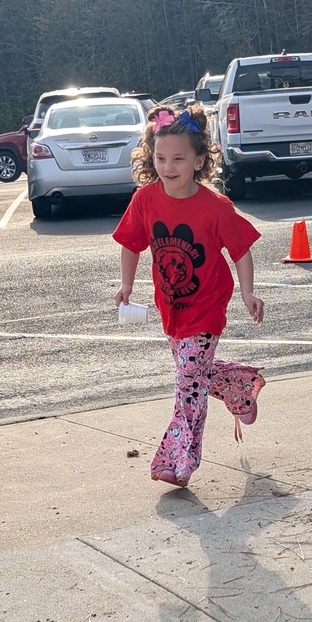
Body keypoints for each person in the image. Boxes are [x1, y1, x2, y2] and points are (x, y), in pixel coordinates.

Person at [113, 103, 266, 489]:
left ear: (199, 160)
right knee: (195, 374)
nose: (168, 167)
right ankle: (240, 386)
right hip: (172, 310)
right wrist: (126, 284)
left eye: (178, 158)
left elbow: (241, 250)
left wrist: (248, 292)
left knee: (188, 383)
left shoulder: (214, 207)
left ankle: (178, 460)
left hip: (207, 308)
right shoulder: (145, 200)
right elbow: (130, 244)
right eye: (161, 158)